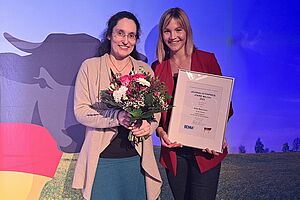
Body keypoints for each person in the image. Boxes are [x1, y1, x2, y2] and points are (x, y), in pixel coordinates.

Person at [72, 11, 162, 200]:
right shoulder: (90, 67)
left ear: (136, 40)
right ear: (109, 35)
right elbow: (81, 112)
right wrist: (116, 117)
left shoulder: (144, 70)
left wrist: (149, 126)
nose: (125, 40)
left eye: (131, 35)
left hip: (136, 161)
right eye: (120, 33)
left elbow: (156, 112)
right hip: (102, 161)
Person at [152, 7, 234, 200]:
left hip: (204, 152)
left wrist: (216, 134)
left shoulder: (206, 59)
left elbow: (224, 106)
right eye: (167, 31)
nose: (173, 36)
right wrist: (160, 132)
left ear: (187, 31)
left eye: (178, 29)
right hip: (174, 153)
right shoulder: (157, 67)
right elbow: (154, 113)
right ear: (162, 35)